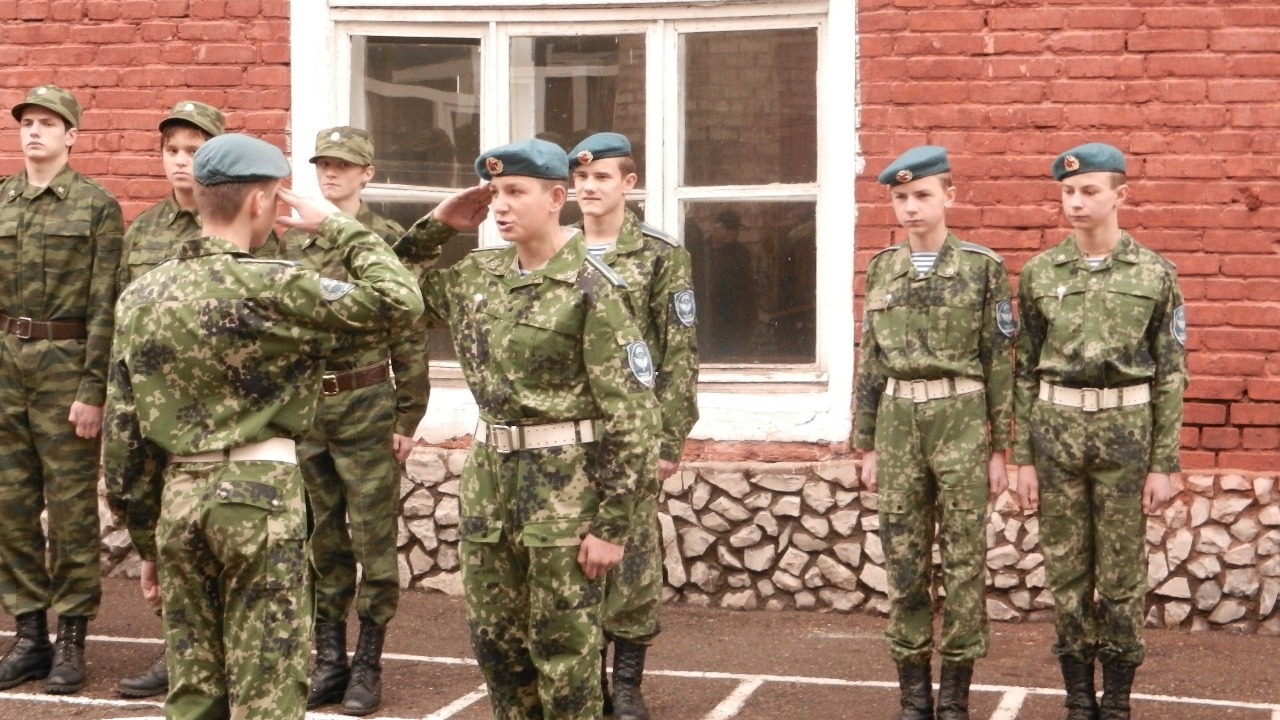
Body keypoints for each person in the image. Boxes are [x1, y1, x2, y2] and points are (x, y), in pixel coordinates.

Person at [102, 133, 424, 720]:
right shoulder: (274, 285)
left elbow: (124, 439)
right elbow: (400, 300)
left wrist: (147, 541)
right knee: (266, 688)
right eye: (275, 197)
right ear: (258, 201)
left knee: (195, 689)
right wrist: (338, 227)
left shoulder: (141, 295)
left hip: (180, 502)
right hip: (258, 497)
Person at [387, 138, 661, 720]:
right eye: (494, 193)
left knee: (565, 658)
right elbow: (388, 293)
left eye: (515, 191)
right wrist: (436, 226)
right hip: (491, 486)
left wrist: (613, 524)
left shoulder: (593, 288)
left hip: (565, 495)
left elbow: (634, 418)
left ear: (557, 198)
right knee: (498, 651)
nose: (501, 205)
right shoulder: (476, 277)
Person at [1013, 143, 1186, 720]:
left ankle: (1116, 699)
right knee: (1065, 571)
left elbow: (1171, 374)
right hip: (1056, 433)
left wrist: (1163, 463)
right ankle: (1078, 696)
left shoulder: (1155, 274)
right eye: (1068, 191)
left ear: (1120, 195)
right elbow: (1024, 370)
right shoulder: (1039, 273)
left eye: (1089, 190)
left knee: (1120, 575)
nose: (1076, 202)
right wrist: (1023, 457)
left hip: (1125, 435)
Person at [852, 146, 1014, 720]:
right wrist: (867, 444)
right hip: (898, 422)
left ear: (949, 196)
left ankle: (955, 696)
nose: (911, 207)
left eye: (922, 195)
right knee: (904, 560)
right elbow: (870, 360)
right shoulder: (882, 268)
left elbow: (999, 361)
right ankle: (914, 694)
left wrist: (1001, 449)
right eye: (900, 197)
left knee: (965, 560)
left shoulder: (982, 268)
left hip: (961, 418)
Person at [287, 126, 428, 716]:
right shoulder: (291, 240)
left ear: (367, 173)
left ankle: (368, 663)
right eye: (323, 163)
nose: (330, 173)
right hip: (307, 410)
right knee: (321, 538)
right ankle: (329, 659)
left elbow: (409, 331)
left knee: (373, 539)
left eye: (343, 165)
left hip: (367, 402)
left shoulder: (384, 240)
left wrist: (408, 414)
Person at [568, 131, 699, 720]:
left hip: (634, 432)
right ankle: (586, 677)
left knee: (633, 556)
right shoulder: (559, 250)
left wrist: (669, 440)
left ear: (628, 183)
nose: (589, 187)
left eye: (601, 177)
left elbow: (679, 354)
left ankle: (626, 683)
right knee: (572, 552)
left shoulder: (660, 254)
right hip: (569, 430)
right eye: (580, 178)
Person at [0, 84, 124, 695]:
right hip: (6, 369)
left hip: (66, 367)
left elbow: (106, 306)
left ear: (71, 135)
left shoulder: (97, 206)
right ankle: (29, 635)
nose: (34, 131)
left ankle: (72, 639)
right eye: (27, 122)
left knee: (72, 512)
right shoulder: (1, 200)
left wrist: (93, 388)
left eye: (48, 123)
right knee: (10, 507)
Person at [112, 98, 225, 700]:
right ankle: (179, 647)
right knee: (161, 527)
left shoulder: (234, 224)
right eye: (172, 150)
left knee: (218, 528)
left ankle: (232, 648)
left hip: (213, 411)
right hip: (152, 406)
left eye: (194, 151)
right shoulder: (144, 230)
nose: (181, 161)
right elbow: (121, 322)